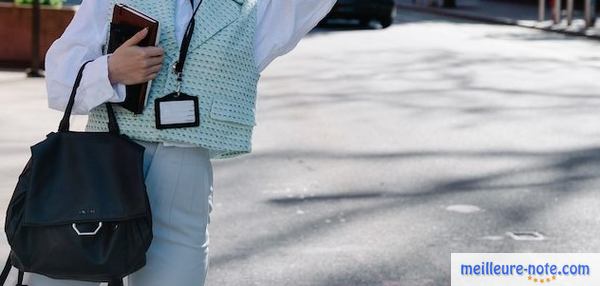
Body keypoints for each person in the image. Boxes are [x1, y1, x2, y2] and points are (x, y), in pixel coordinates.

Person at [40, 0, 336, 285]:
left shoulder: (255, 11)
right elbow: (58, 82)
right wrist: (110, 70)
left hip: (183, 173)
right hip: (100, 164)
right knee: (58, 275)